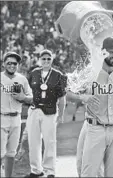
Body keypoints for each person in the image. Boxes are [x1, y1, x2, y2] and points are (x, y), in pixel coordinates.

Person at [77, 36, 113, 177]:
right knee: (88, 173)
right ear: (103, 52)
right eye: (110, 51)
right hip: (95, 128)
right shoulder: (91, 72)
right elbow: (68, 91)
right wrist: (84, 97)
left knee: (112, 174)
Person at [25, 49, 67, 178]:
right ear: (39, 60)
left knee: (50, 142)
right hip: (34, 110)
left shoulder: (58, 75)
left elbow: (62, 97)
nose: (46, 61)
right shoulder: (33, 73)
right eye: (43, 59)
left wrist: (61, 115)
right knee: (33, 141)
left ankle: (50, 171)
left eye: (48, 59)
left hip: (49, 112)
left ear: (52, 60)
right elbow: (27, 91)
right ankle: (36, 170)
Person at [0, 51, 33, 177]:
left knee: (11, 152)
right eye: (9, 63)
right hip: (1, 116)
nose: (12, 65)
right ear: (4, 64)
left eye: (15, 63)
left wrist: (23, 97)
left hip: (16, 118)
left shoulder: (22, 79)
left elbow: (32, 98)